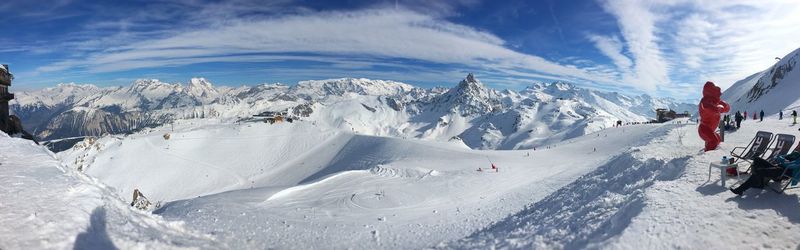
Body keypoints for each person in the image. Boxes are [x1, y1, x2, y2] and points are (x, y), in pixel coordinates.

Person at [730, 152, 799, 195]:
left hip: (784, 173)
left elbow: (791, 165)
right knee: (757, 159)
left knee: (759, 171)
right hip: (778, 168)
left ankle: (740, 189)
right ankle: (759, 182)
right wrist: (784, 160)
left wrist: (783, 160)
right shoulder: (795, 154)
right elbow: (778, 157)